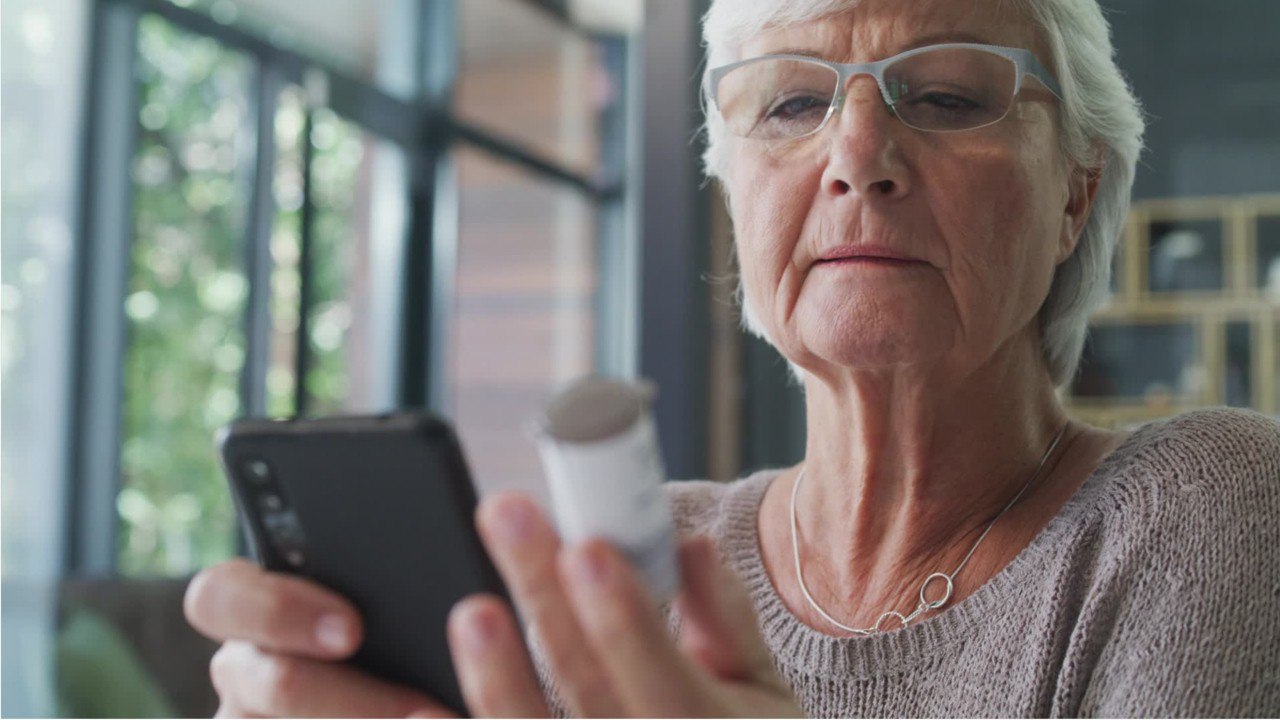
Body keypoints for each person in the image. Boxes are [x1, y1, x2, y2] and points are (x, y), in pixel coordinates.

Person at [184, 0, 1280, 716]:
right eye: (792, 103)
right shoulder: (625, 561)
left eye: (946, 96)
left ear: (1073, 195)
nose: (857, 156)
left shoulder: (1206, 508)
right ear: (734, 197)